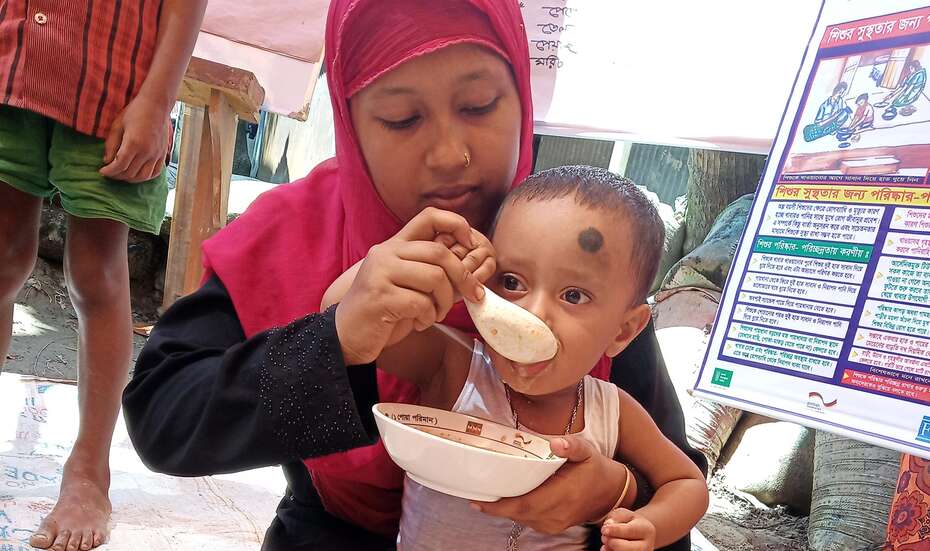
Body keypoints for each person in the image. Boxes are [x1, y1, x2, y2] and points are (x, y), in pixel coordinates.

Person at [122, 1, 706, 550]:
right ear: (351, 126)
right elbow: (162, 420)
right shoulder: (293, 236)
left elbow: (674, 488)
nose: (450, 154)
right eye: (403, 119)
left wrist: (616, 493)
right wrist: (342, 334)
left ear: (522, 100)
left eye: (479, 106)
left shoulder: (578, 241)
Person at [321, 166, 710, 550]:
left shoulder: (611, 411)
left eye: (573, 295)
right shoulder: (455, 367)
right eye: (512, 283)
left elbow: (687, 484)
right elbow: (338, 314)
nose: (533, 314)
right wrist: (426, 264)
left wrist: (650, 525)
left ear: (623, 331)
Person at [0, 2, 206, 549]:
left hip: (114, 80)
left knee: (96, 274)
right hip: (11, 59)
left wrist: (158, 100)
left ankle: (89, 472)